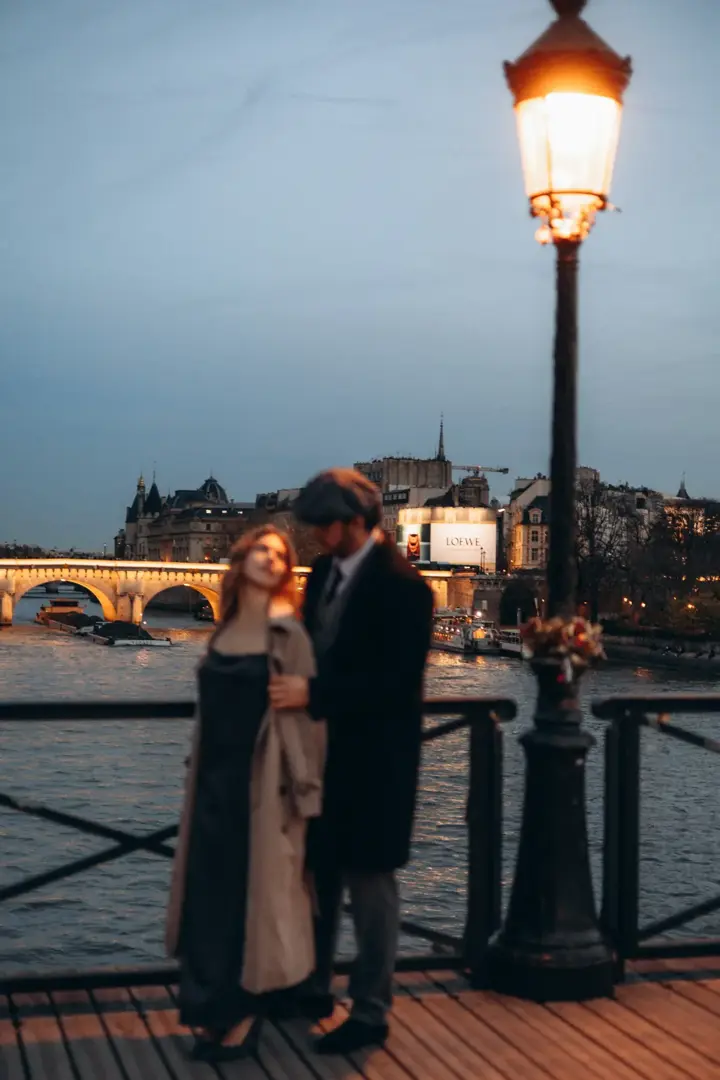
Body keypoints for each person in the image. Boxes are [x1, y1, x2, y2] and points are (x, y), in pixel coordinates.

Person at [270, 468, 434, 1054]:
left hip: (377, 759)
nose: (315, 534)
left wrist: (313, 695)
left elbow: (396, 683)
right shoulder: (320, 577)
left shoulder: (406, 587)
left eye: (325, 523)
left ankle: (371, 1009)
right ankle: (313, 985)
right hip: (321, 754)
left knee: (370, 884)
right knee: (318, 874)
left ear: (356, 523)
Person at [166, 526, 326, 1063]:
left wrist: (304, 794)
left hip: (264, 789)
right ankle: (210, 1010)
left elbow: (308, 725)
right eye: (261, 548)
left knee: (252, 905)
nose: (270, 557)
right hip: (211, 784)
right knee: (209, 903)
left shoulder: (290, 635)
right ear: (241, 559)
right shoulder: (224, 628)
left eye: (279, 553)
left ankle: (244, 1016)